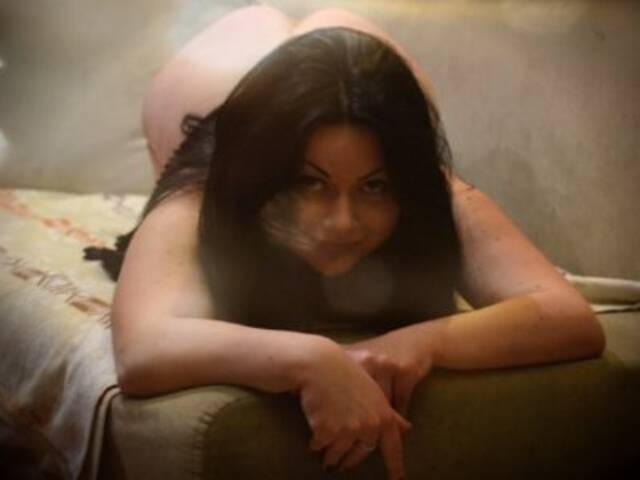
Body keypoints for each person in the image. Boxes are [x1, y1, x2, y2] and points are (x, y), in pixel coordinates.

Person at [83, 6, 605, 480]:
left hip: (355, 60)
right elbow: (143, 349)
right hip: (209, 89)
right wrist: (310, 359)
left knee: (348, 47)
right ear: (264, 177)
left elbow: (569, 317)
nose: (343, 222)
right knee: (253, 27)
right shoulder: (205, 190)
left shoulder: (432, 191)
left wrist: (419, 342)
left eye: (374, 187)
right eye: (309, 183)